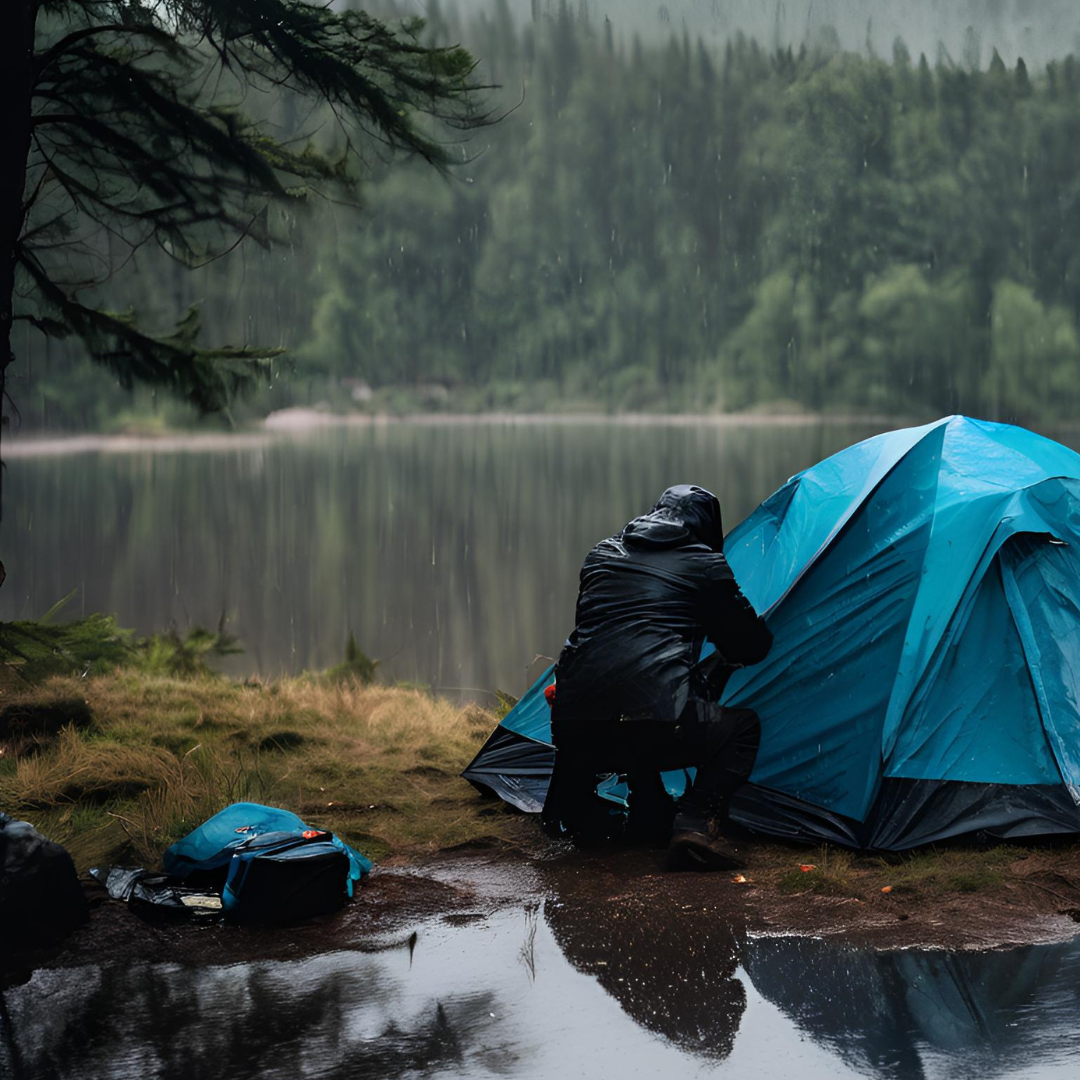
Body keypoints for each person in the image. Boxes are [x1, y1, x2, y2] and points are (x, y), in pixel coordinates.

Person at [541, 485, 772, 869]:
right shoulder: (704, 563)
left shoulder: (602, 554)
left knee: (636, 700)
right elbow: (752, 646)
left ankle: (637, 809)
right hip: (655, 727)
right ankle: (695, 826)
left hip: (573, 728)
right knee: (739, 729)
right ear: (707, 527)